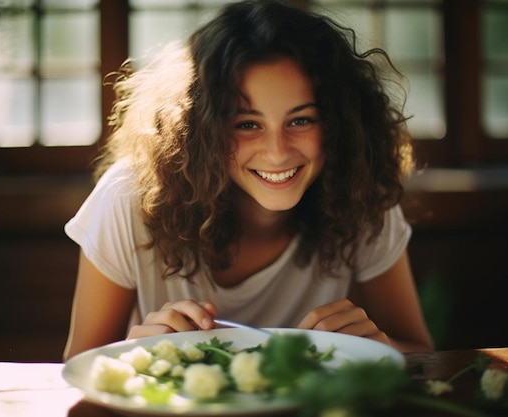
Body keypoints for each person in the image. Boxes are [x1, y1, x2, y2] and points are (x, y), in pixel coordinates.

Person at [63, 0, 434, 360]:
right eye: (247, 125)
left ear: (340, 124)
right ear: (199, 130)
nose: (277, 151)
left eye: (301, 120)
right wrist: (134, 355)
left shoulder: (362, 193)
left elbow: (420, 351)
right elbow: (80, 364)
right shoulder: (129, 197)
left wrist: (379, 348)